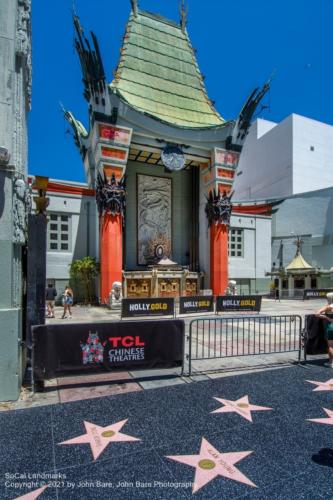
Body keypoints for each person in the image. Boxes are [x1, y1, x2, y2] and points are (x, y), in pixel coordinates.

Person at [315, 292, 333, 368]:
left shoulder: (328, 307)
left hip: (331, 326)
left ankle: (331, 362)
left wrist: (326, 318)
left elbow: (317, 314)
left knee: (331, 346)